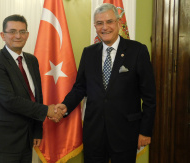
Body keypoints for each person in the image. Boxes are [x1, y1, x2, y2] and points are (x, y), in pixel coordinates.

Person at [55, 3, 156, 163]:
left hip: (126, 133)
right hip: (94, 133)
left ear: (118, 23)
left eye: (109, 22)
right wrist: (66, 105)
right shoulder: (88, 53)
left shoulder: (137, 51)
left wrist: (145, 131)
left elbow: (150, 97)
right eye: (99, 23)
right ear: (95, 26)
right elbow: (80, 87)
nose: (105, 27)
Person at [0, 14, 64, 163]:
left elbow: (37, 96)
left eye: (22, 31)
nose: (18, 36)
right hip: (3, 142)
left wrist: (37, 130)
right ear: (3, 35)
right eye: (12, 31)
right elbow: (9, 100)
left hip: (26, 139)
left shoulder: (32, 60)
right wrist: (47, 110)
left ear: (27, 35)